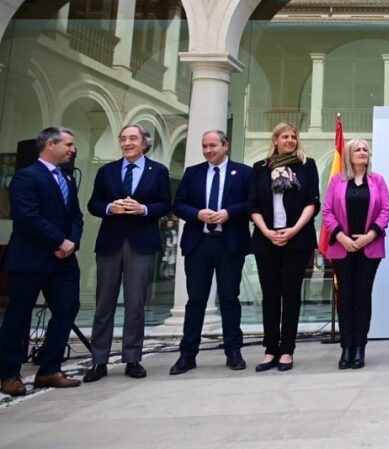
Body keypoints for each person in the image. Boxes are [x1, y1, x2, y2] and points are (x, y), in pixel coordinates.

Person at [84, 123, 172, 382]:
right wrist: (111, 207)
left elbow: (166, 204)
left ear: (145, 143)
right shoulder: (107, 171)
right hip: (110, 243)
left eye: (133, 138)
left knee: (135, 304)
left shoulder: (158, 171)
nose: (127, 143)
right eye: (123, 139)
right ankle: (99, 360)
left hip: (141, 243)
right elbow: (93, 204)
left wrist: (142, 209)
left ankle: (132, 358)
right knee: (104, 304)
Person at [0, 127, 83, 396]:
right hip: (30, 260)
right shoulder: (26, 177)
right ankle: (9, 373)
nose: (72, 149)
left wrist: (72, 242)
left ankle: (49, 368)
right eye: (69, 144)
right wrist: (59, 241)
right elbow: (27, 216)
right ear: (50, 144)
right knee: (19, 316)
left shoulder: (68, 179)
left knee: (67, 309)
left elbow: (76, 216)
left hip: (64, 262)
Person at [169, 130, 253, 375]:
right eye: (205, 146)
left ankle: (233, 351)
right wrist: (197, 214)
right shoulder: (192, 173)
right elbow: (179, 205)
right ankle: (187, 354)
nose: (208, 150)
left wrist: (229, 213)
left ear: (225, 145)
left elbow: (251, 204)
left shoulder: (244, 172)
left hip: (229, 244)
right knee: (195, 300)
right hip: (199, 243)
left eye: (213, 146)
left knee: (229, 298)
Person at [249, 122, 320, 373]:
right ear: (275, 139)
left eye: (293, 136)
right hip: (266, 239)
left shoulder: (307, 165)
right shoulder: (260, 168)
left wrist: (293, 230)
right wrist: (267, 232)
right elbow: (253, 205)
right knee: (270, 295)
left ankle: (287, 350)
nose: (290, 140)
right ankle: (270, 349)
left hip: (297, 239)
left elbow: (313, 202)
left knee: (291, 294)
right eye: (285, 136)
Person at [321, 139, 389, 370]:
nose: (363, 153)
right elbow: (328, 211)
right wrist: (341, 237)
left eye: (365, 150)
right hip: (342, 247)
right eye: (358, 150)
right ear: (349, 155)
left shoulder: (377, 180)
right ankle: (346, 347)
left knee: (363, 296)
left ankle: (360, 346)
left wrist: (368, 236)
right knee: (346, 298)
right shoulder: (336, 181)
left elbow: (385, 211)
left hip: (369, 247)